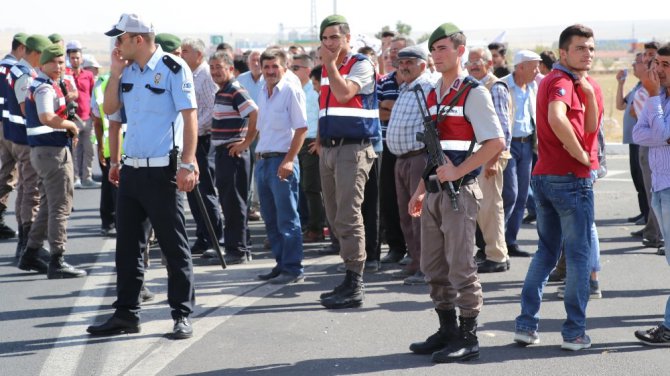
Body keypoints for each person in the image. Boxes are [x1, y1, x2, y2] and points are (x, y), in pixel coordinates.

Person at [87, 13, 198, 340]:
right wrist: (116, 74)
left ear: (138, 39)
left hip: (164, 171)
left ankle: (181, 314)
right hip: (132, 171)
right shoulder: (126, 72)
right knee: (127, 248)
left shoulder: (173, 68)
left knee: (173, 247)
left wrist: (189, 163)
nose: (116, 44)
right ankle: (126, 314)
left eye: (120, 38)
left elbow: (190, 117)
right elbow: (111, 114)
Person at [407, 23, 504, 364]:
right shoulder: (433, 94)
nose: (436, 54)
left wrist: (459, 171)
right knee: (433, 267)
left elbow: (496, 142)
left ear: (460, 51)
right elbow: (434, 153)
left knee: (462, 267)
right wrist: (421, 188)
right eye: (433, 49)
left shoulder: (472, 92)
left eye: (443, 48)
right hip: (435, 192)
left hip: (460, 193)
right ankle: (447, 330)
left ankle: (468, 335)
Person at [514, 24, 603, 351]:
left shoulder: (585, 83)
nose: (588, 53)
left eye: (591, 48)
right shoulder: (560, 81)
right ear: (563, 53)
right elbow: (556, 117)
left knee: (547, 252)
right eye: (581, 48)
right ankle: (574, 333)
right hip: (567, 178)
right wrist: (579, 154)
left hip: (549, 177)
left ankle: (526, 325)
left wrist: (591, 96)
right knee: (578, 257)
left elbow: (591, 128)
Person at [317, 15, 380, 309]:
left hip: (353, 150)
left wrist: (329, 65)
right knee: (334, 215)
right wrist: (320, 139)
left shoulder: (360, 64)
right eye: (325, 38)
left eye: (334, 38)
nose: (329, 44)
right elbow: (326, 106)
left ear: (347, 38)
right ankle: (348, 274)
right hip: (330, 150)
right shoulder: (329, 68)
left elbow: (344, 94)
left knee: (348, 215)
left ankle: (356, 281)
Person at [21, 43, 87, 279]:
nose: (60, 67)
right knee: (61, 205)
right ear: (43, 64)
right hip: (52, 152)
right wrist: (70, 126)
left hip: (47, 151)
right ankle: (57, 260)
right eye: (55, 63)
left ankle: (31, 252)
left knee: (49, 204)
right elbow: (46, 117)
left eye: (62, 62)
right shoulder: (44, 88)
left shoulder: (47, 84)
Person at [249, 48, 307, 283]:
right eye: (267, 67)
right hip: (263, 160)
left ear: (284, 68)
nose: (271, 71)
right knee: (270, 218)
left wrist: (290, 160)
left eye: (275, 67)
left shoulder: (291, 90)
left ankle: (293, 268)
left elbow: (302, 128)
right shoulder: (263, 91)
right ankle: (281, 264)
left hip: (283, 159)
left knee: (287, 218)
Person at [385, 45, 436, 284]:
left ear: (423, 65)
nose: (403, 66)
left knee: (420, 216)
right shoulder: (407, 87)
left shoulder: (427, 87)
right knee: (407, 216)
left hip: (418, 157)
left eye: (409, 62)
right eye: (401, 62)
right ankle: (416, 262)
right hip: (402, 159)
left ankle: (426, 267)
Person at [632, 42, 670, 345]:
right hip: (659, 185)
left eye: (666, 65)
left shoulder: (657, 97)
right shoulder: (659, 99)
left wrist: (655, 99)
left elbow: (658, 134)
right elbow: (638, 133)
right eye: (657, 63)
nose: (657, 70)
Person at [464, 46, 513, 273]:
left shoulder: (495, 87)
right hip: (477, 154)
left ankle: (497, 256)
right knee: (480, 208)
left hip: (490, 156)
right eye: (470, 61)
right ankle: (489, 251)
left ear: (489, 63)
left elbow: (502, 128)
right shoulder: (473, 86)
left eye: (479, 61)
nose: (474, 65)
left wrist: (493, 160)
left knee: (490, 207)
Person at [6, 35, 51, 270]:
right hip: (24, 138)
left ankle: (25, 244)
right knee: (30, 190)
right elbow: (26, 110)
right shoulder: (24, 73)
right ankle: (26, 245)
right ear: (34, 52)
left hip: (16, 137)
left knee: (25, 188)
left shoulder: (17, 70)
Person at [207, 50, 256, 264]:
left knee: (234, 203)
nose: (216, 71)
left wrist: (245, 142)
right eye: (213, 68)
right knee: (229, 202)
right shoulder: (222, 90)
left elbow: (254, 112)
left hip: (233, 153)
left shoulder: (235, 89)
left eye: (220, 67)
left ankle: (238, 251)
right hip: (223, 153)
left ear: (230, 69)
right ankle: (238, 247)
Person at [180, 38, 224, 257]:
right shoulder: (190, 74)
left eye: (185, 51)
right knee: (193, 191)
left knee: (205, 190)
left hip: (203, 140)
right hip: (193, 139)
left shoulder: (205, 76)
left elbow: (211, 110)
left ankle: (215, 236)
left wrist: (192, 133)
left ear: (199, 55)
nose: (181, 55)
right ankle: (202, 235)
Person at [501, 50, 541, 258]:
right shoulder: (502, 86)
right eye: (533, 66)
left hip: (527, 145)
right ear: (520, 67)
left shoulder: (533, 86)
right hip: (507, 147)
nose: (537, 71)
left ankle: (510, 241)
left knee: (522, 195)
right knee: (510, 194)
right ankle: (496, 241)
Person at [377, 36, 413, 265]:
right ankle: (396, 247)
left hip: (414, 148)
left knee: (413, 200)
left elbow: (417, 115)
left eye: (397, 50)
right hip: (388, 146)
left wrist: (391, 107)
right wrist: (396, 110)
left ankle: (416, 250)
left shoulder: (422, 82)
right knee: (389, 198)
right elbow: (377, 112)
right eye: (391, 51)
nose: (392, 55)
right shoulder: (384, 82)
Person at [291, 53, 326, 243]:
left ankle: (316, 228)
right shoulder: (294, 89)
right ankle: (307, 224)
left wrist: (319, 141)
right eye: (291, 68)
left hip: (312, 142)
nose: (292, 71)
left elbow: (323, 115)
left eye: (296, 68)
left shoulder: (315, 91)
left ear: (307, 70)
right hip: (298, 142)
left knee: (312, 188)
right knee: (301, 187)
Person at [0, 33, 26, 245]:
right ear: (21, 48)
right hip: (11, 126)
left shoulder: (2, 66)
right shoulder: (14, 70)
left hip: (3, 124)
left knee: (8, 170)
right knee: (15, 173)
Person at [66, 40, 99, 189]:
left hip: (88, 118)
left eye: (78, 57)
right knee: (74, 151)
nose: (75, 60)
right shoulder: (66, 75)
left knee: (89, 150)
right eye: (72, 58)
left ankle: (87, 177)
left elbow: (93, 94)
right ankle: (76, 178)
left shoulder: (88, 75)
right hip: (73, 119)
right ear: (69, 58)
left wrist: (94, 114)